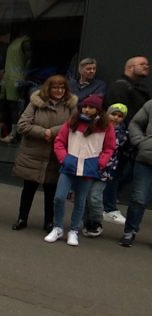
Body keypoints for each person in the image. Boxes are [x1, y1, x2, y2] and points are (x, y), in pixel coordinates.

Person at [45, 95, 115, 246]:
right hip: (69, 165)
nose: (87, 110)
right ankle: (57, 228)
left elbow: (109, 147)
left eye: (91, 107)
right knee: (59, 197)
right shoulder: (73, 122)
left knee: (80, 201)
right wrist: (64, 158)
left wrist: (99, 163)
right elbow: (59, 141)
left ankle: (74, 231)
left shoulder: (106, 126)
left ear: (98, 110)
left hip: (89, 168)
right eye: (85, 106)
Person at [10, 75, 77, 232]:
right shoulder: (36, 103)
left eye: (62, 88)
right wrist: (42, 132)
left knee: (51, 192)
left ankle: (49, 222)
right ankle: (22, 218)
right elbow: (22, 125)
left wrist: (52, 132)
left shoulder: (71, 106)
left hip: (56, 155)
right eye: (55, 87)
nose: (59, 90)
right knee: (28, 189)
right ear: (48, 88)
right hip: (33, 153)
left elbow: (73, 125)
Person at [102, 55, 150, 224]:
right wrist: (126, 137)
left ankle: (106, 201)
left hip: (135, 142)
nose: (146, 66)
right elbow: (118, 116)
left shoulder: (140, 89)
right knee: (114, 172)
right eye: (142, 64)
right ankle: (107, 207)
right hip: (122, 140)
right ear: (130, 67)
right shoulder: (120, 87)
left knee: (126, 174)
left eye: (147, 64)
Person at [82, 103, 128, 238]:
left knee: (95, 197)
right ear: (107, 114)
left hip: (105, 170)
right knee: (85, 196)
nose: (116, 118)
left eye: (120, 116)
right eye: (113, 114)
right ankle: (87, 222)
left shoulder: (122, 133)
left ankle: (96, 221)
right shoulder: (96, 125)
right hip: (90, 166)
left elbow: (112, 144)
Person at [120, 97, 152, 247]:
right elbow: (135, 123)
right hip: (146, 159)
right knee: (139, 198)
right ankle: (130, 231)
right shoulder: (151, 104)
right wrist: (140, 141)